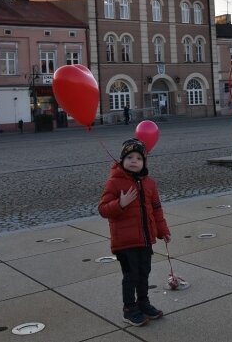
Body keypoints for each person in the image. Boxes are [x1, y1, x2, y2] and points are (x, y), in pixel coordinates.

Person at [99, 138, 171, 327]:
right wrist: (120, 204)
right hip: (125, 241)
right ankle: (129, 309)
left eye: (138, 158)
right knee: (130, 276)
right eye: (129, 157)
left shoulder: (149, 183)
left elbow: (156, 208)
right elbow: (103, 209)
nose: (134, 161)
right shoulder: (114, 183)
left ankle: (143, 303)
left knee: (144, 272)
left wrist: (162, 230)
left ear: (144, 162)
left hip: (145, 239)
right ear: (122, 160)